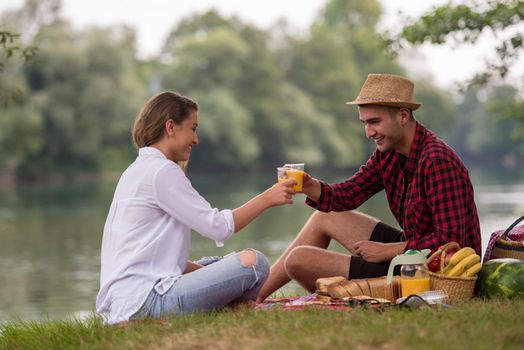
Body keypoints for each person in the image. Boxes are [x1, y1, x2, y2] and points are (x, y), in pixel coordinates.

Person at [257, 74, 481, 301]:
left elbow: (451, 242)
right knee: (323, 218)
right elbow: (348, 194)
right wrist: (311, 186)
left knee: (298, 260)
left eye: (374, 122)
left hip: (433, 272)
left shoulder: (437, 161)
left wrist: (388, 250)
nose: (368, 132)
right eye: (365, 123)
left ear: (403, 115)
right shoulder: (388, 154)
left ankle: (344, 297)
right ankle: (253, 298)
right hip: (410, 253)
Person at [96, 91, 296, 325]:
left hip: (126, 301)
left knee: (213, 263)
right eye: (193, 128)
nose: (196, 139)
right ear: (170, 127)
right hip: (146, 302)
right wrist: (268, 198)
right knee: (255, 263)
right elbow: (219, 228)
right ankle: (229, 307)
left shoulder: (135, 171)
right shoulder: (162, 171)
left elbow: (156, 257)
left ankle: (228, 307)